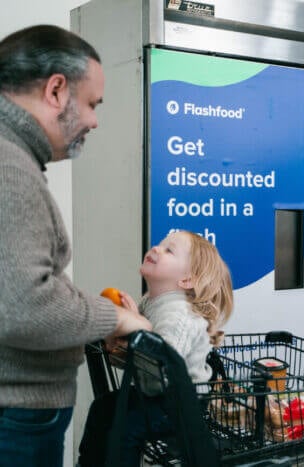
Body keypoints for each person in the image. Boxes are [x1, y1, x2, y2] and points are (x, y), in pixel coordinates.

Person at [0, 25, 152, 466]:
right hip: (15, 416)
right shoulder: (10, 168)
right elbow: (25, 307)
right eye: (91, 103)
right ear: (56, 90)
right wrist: (117, 318)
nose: (94, 120)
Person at [78, 230, 234, 467]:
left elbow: (161, 375)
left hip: (177, 404)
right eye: (159, 244)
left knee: (126, 427)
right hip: (152, 395)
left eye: (169, 250)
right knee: (103, 407)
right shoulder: (150, 301)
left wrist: (134, 326)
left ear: (187, 280)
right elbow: (135, 357)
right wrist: (118, 332)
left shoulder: (179, 316)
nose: (156, 248)